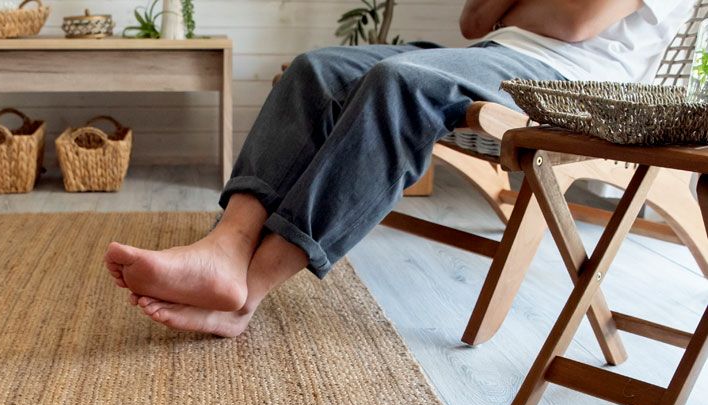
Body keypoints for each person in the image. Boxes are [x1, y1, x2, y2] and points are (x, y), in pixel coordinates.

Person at [104, 0, 693, 337]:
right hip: (489, 57)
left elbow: (576, 19)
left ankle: (245, 295)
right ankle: (226, 247)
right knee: (315, 70)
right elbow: (475, 20)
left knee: (400, 86)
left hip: (571, 87)